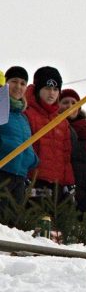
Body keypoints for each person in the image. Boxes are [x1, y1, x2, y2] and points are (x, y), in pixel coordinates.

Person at [24, 66, 75, 201]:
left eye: (55, 89)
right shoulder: (27, 114)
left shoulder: (62, 122)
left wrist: (69, 184)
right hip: (34, 181)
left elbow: (66, 156)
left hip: (57, 184)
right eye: (47, 88)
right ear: (37, 89)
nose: (51, 93)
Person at [0, 66, 39, 209]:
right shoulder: (1, 110)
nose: (18, 86)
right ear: (5, 84)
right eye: (14, 81)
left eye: (23, 83)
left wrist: (32, 158)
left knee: (14, 226)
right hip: (3, 172)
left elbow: (25, 143)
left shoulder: (23, 117)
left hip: (20, 176)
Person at [59, 89, 86, 219]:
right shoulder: (55, 128)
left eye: (73, 103)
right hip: (62, 190)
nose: (70, 106)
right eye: (65, 102)